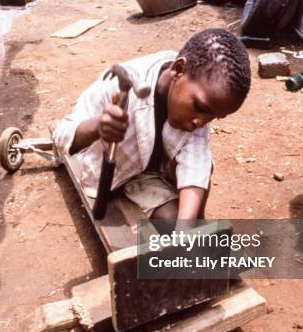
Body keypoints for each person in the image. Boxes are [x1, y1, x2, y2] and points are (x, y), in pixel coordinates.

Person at [53, 29, 251, 226]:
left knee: (195, 188)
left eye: (214, 117)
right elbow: (62, 136)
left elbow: (196, 164)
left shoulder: (198, 96)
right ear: (178, 70)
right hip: (104, 173)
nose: (200, 122)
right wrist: (97, 126)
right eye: (200, 108)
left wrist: (184, 229)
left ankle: (196, 230)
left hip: (147, 174)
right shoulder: (117, 87)